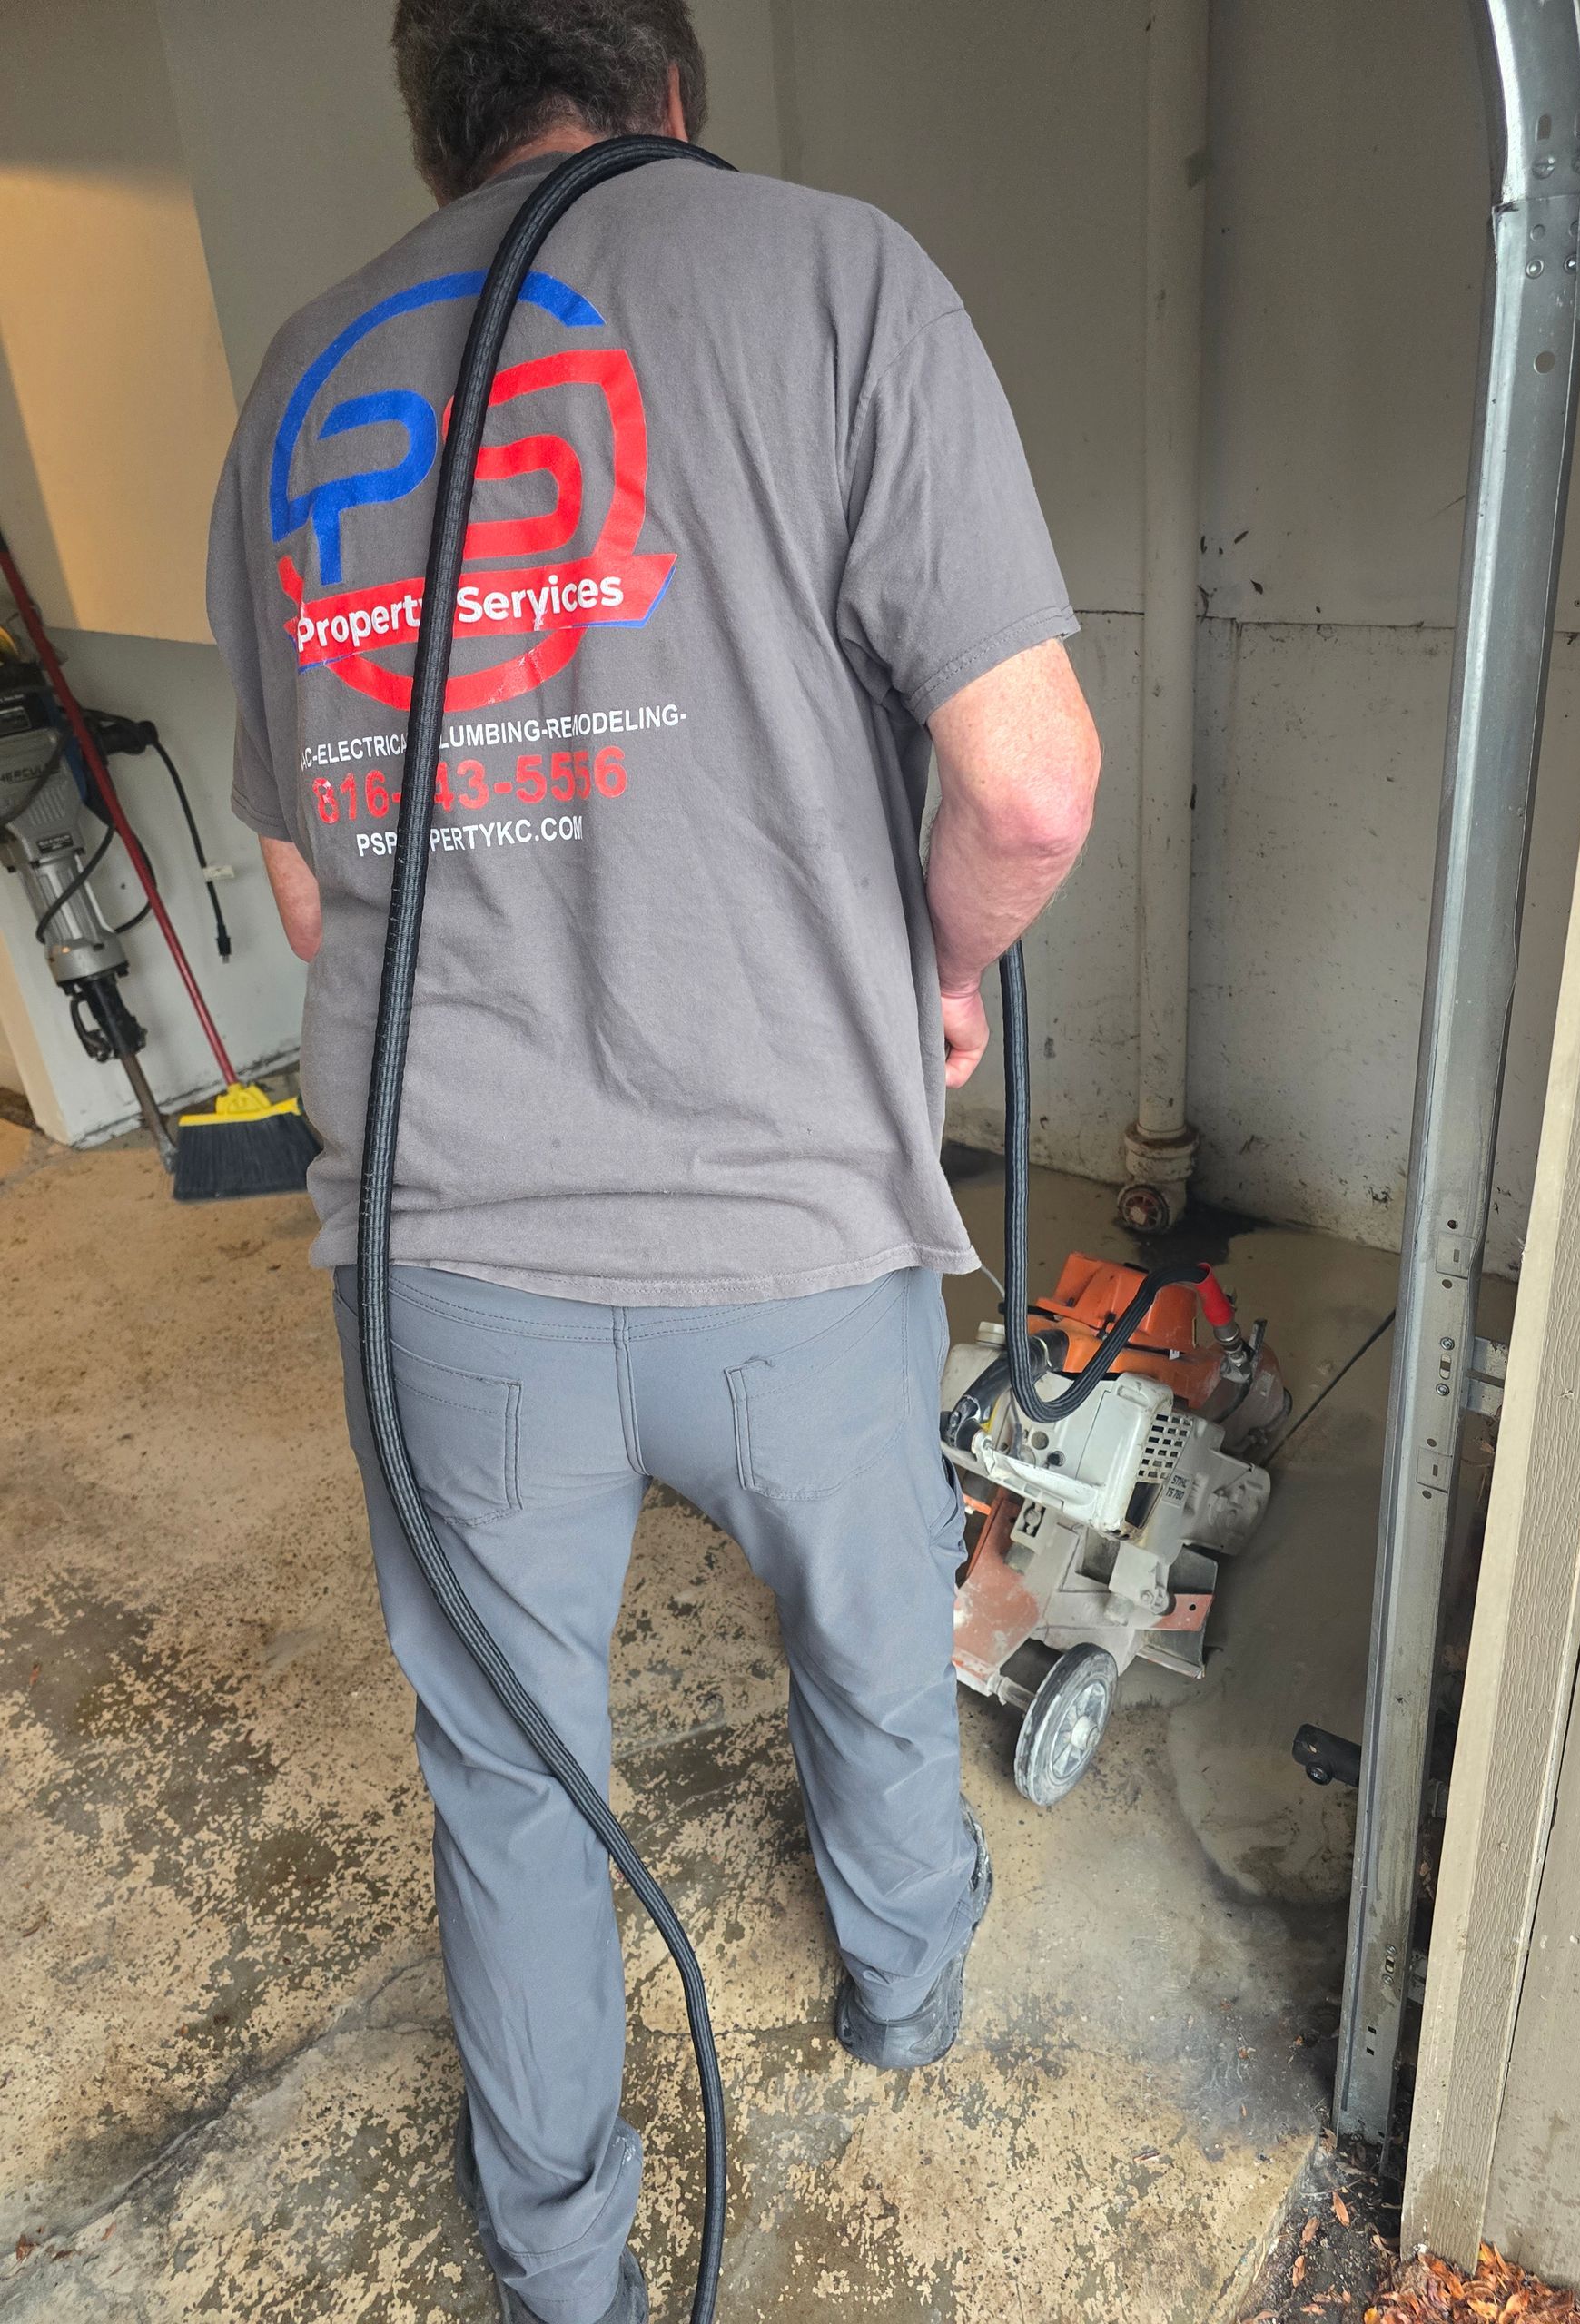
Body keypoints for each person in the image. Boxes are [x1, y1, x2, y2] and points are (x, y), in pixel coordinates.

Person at [207, 3, 1100, 2318]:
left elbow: (312, 893)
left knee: (510, 1783)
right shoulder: (832, 276)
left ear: (438, 129)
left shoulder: (303, 378)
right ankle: (908, 1996)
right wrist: (947, 962)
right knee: (878, 1643)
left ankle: (572, 2263)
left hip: (451, 1263)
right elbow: (1026, 784)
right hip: (793, 1227)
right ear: (672, 88)